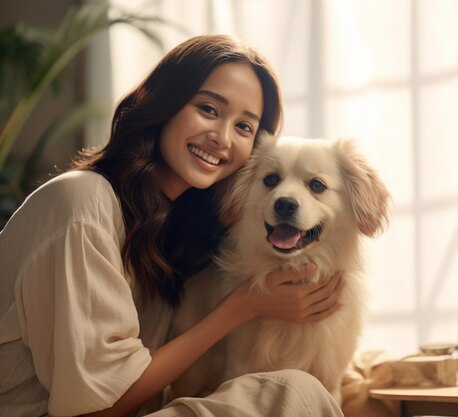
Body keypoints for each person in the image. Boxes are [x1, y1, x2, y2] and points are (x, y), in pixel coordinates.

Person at [0, 34, 345, 417]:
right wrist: (243, 305)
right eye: (209, 109)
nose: (222, 137)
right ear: (164, 102)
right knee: (292, 393)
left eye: (245, 127)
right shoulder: (82, 204)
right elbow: (97, 408)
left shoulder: (174, 226)